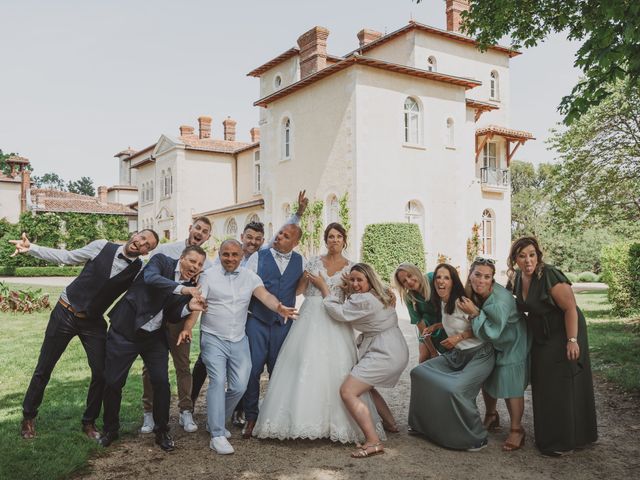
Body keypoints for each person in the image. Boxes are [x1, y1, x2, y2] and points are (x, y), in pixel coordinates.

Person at [11, 230, 159, 440]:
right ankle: (28, 417)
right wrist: (32, 248)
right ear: (134, 234)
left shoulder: (137, 270)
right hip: (65, 312)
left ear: (147, 252)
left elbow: (151, 289)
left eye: (147, 245)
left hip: (93, 322)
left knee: (101, 373)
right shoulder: (101, 246)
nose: (141, 243)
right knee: (44, 368)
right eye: (141, 237)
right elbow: (67, 257)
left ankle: (89, 422)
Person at [253, 224, 385, 443]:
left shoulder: (351, 267)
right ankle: (297, 420)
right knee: (303, 362)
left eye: (338, 236)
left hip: (336, 319)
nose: (334, 240)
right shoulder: (313, 261)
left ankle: (335, 424)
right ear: (326, 240)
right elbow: (299, 291)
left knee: (337, 366)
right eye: (330, 236)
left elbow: (356, 295)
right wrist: (305, 279)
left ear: (344, 241)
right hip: (310, 315)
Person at [191, 191, 308, 426]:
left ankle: (251, 411)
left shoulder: (284, 258)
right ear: (242, 236)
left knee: (260, 370)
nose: (253, 242)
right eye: (249, 238)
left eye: (258, 239)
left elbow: (282, 289)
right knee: (219, 366)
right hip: (234, 322)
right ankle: (194, 404)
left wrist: (298, 214)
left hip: (265, 322)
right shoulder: (233, 259)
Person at [176, 239, 296, 455]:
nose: (230, 259)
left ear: (242, 257)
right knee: (218, 380)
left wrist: (279, 308)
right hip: (213, 338)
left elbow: (265, 295)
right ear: (219, 254)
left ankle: (215, 419)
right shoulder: (208, 276)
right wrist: (187, 328)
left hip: (239, 339)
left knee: (239, 386)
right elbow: (198, 305)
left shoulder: (250, 277)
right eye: (226, 254)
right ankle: (217, 434)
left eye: (234, 255)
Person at [98, 246, 207, 451]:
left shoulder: (190, 285)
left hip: (154, 337)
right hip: (125, 331)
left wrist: (189, 307)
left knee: (161, 383)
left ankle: (162, 431)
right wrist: (184, 289)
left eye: (200, 264)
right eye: (192, 261)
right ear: (181, 257)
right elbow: (151, 279)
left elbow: (174, 314)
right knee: (113, 382)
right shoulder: (161, 261)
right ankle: (110, 430)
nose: (195, 267)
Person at [508, 236, 597, 456]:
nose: (528, 260)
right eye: (522, 256)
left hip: (565, 330)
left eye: (532, 254)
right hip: (542, 334)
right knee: (543, 382)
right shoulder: (518, 278)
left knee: (562, 382)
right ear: (515, 260)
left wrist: (572, 340)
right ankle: (549, 437)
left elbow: (570, 309)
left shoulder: (549, 274)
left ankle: (566, 441)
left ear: (538, 255)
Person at [322, 263, 409, 458]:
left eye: (359, 280)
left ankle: (373, 441)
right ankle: (391, 423)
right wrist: (349, 290)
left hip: (385, 352)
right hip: (392, 346)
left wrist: (324, 289)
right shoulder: (377, 295)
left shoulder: (366, 300)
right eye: (352, 280)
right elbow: (354, 303)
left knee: (348, 391)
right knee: (366, 386)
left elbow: (339, 312)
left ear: (370, 281)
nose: (354, 284)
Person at [408, 263, 495, 451]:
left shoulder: (462, 302)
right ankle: (423, 425)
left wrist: (459, 337)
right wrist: (438, 326)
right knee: (419, 373)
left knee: (456, 390)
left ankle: (476, 438)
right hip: (458, 355)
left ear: (453, 281)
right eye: (438, 277)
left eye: (446, 278)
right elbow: (455, 321)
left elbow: (483, 328)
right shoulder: (443, 300)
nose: (441, 281)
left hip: (480, 355)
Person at [139, 216, 212, 435]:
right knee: (148, 368)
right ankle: (148, 412)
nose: (200, 232)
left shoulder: (208, 264)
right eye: (197, 227)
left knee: (182, 365)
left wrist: (189, 323)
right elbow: (150, 280)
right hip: (155, 317)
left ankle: (185, 410)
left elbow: (200, 295)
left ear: (208, 237)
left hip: (179, 318)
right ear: (190, 228)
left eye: (205, 231)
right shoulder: (167, 251)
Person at [241, 223, 305, 439]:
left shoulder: (301, 260)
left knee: (279, 371)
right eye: (279, 233)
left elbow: (300, 288)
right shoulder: (258, 257)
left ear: (295, 243)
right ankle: (251, 416)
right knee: (253, 370)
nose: (279, 237)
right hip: (257, 321)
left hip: (283, 326)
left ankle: (276, 416)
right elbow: (246, 286)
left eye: (286, 236)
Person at [458, 257, 528, 452]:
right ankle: (491, 415)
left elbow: (493, 332)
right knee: (486, 373)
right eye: (477, 275)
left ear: (492, 280)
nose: (481, 280)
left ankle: (516, 429)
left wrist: (474, 314)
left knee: (510, 379)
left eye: (487, 277)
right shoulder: (470, 292)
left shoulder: (499, 301)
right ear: (470, 275)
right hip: (492, 340)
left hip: (512, 340)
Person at [394, 263, 447, 362]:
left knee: (452, 356)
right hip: (427, 327)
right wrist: (433, 351)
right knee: (423, 359)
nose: (409, 281)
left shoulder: (433, 278)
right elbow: (419, 323)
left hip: (447, 321)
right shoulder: (409, 297)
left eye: (410, 275)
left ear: (416, 272)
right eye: (404, 281)